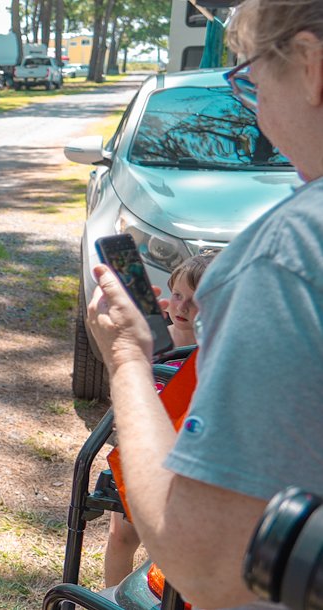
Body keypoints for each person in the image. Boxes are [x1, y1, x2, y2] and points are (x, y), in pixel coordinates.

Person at [85, 1, 323, 606]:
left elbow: (208, 564)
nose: (260, 116)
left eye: (252, 79)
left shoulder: (290, 256)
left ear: (311, 65)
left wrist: (129, 360)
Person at [102, 251, 216, 588]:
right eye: (177, 295)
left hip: (189, 465)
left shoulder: (217, 353)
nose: (181, 307)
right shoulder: (152, 340)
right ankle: (112, 597)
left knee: (167, 550)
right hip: (141, 455)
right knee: (121, 536)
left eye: (196, 302)